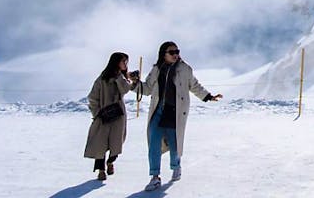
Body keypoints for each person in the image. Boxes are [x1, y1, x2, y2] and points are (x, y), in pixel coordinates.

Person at [133, 41, 223, 191]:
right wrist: (134, 83)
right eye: (172, 52)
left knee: (174, 144)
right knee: (154, 143)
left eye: (177, 51)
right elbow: (147, 88)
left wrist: (208, 96)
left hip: (175, 112)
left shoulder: (184, 68)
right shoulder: (156, 69)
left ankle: (176, 166)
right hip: (158, 111)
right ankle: (155, 177)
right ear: (164, 54)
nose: (176, 54)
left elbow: (194, 85)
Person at [85, 52, 136, 181]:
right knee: (100, 144)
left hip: (118, 116)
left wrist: (123, 77)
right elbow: (92, 97)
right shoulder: (102, 78)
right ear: (116, 62)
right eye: (123, 61)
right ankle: (101, 170)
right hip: (103, 116)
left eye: (126, 62)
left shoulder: (121, 78)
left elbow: (125, 89)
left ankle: (110, 162)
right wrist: (97, 113)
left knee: (117, 142)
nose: (125, 64)